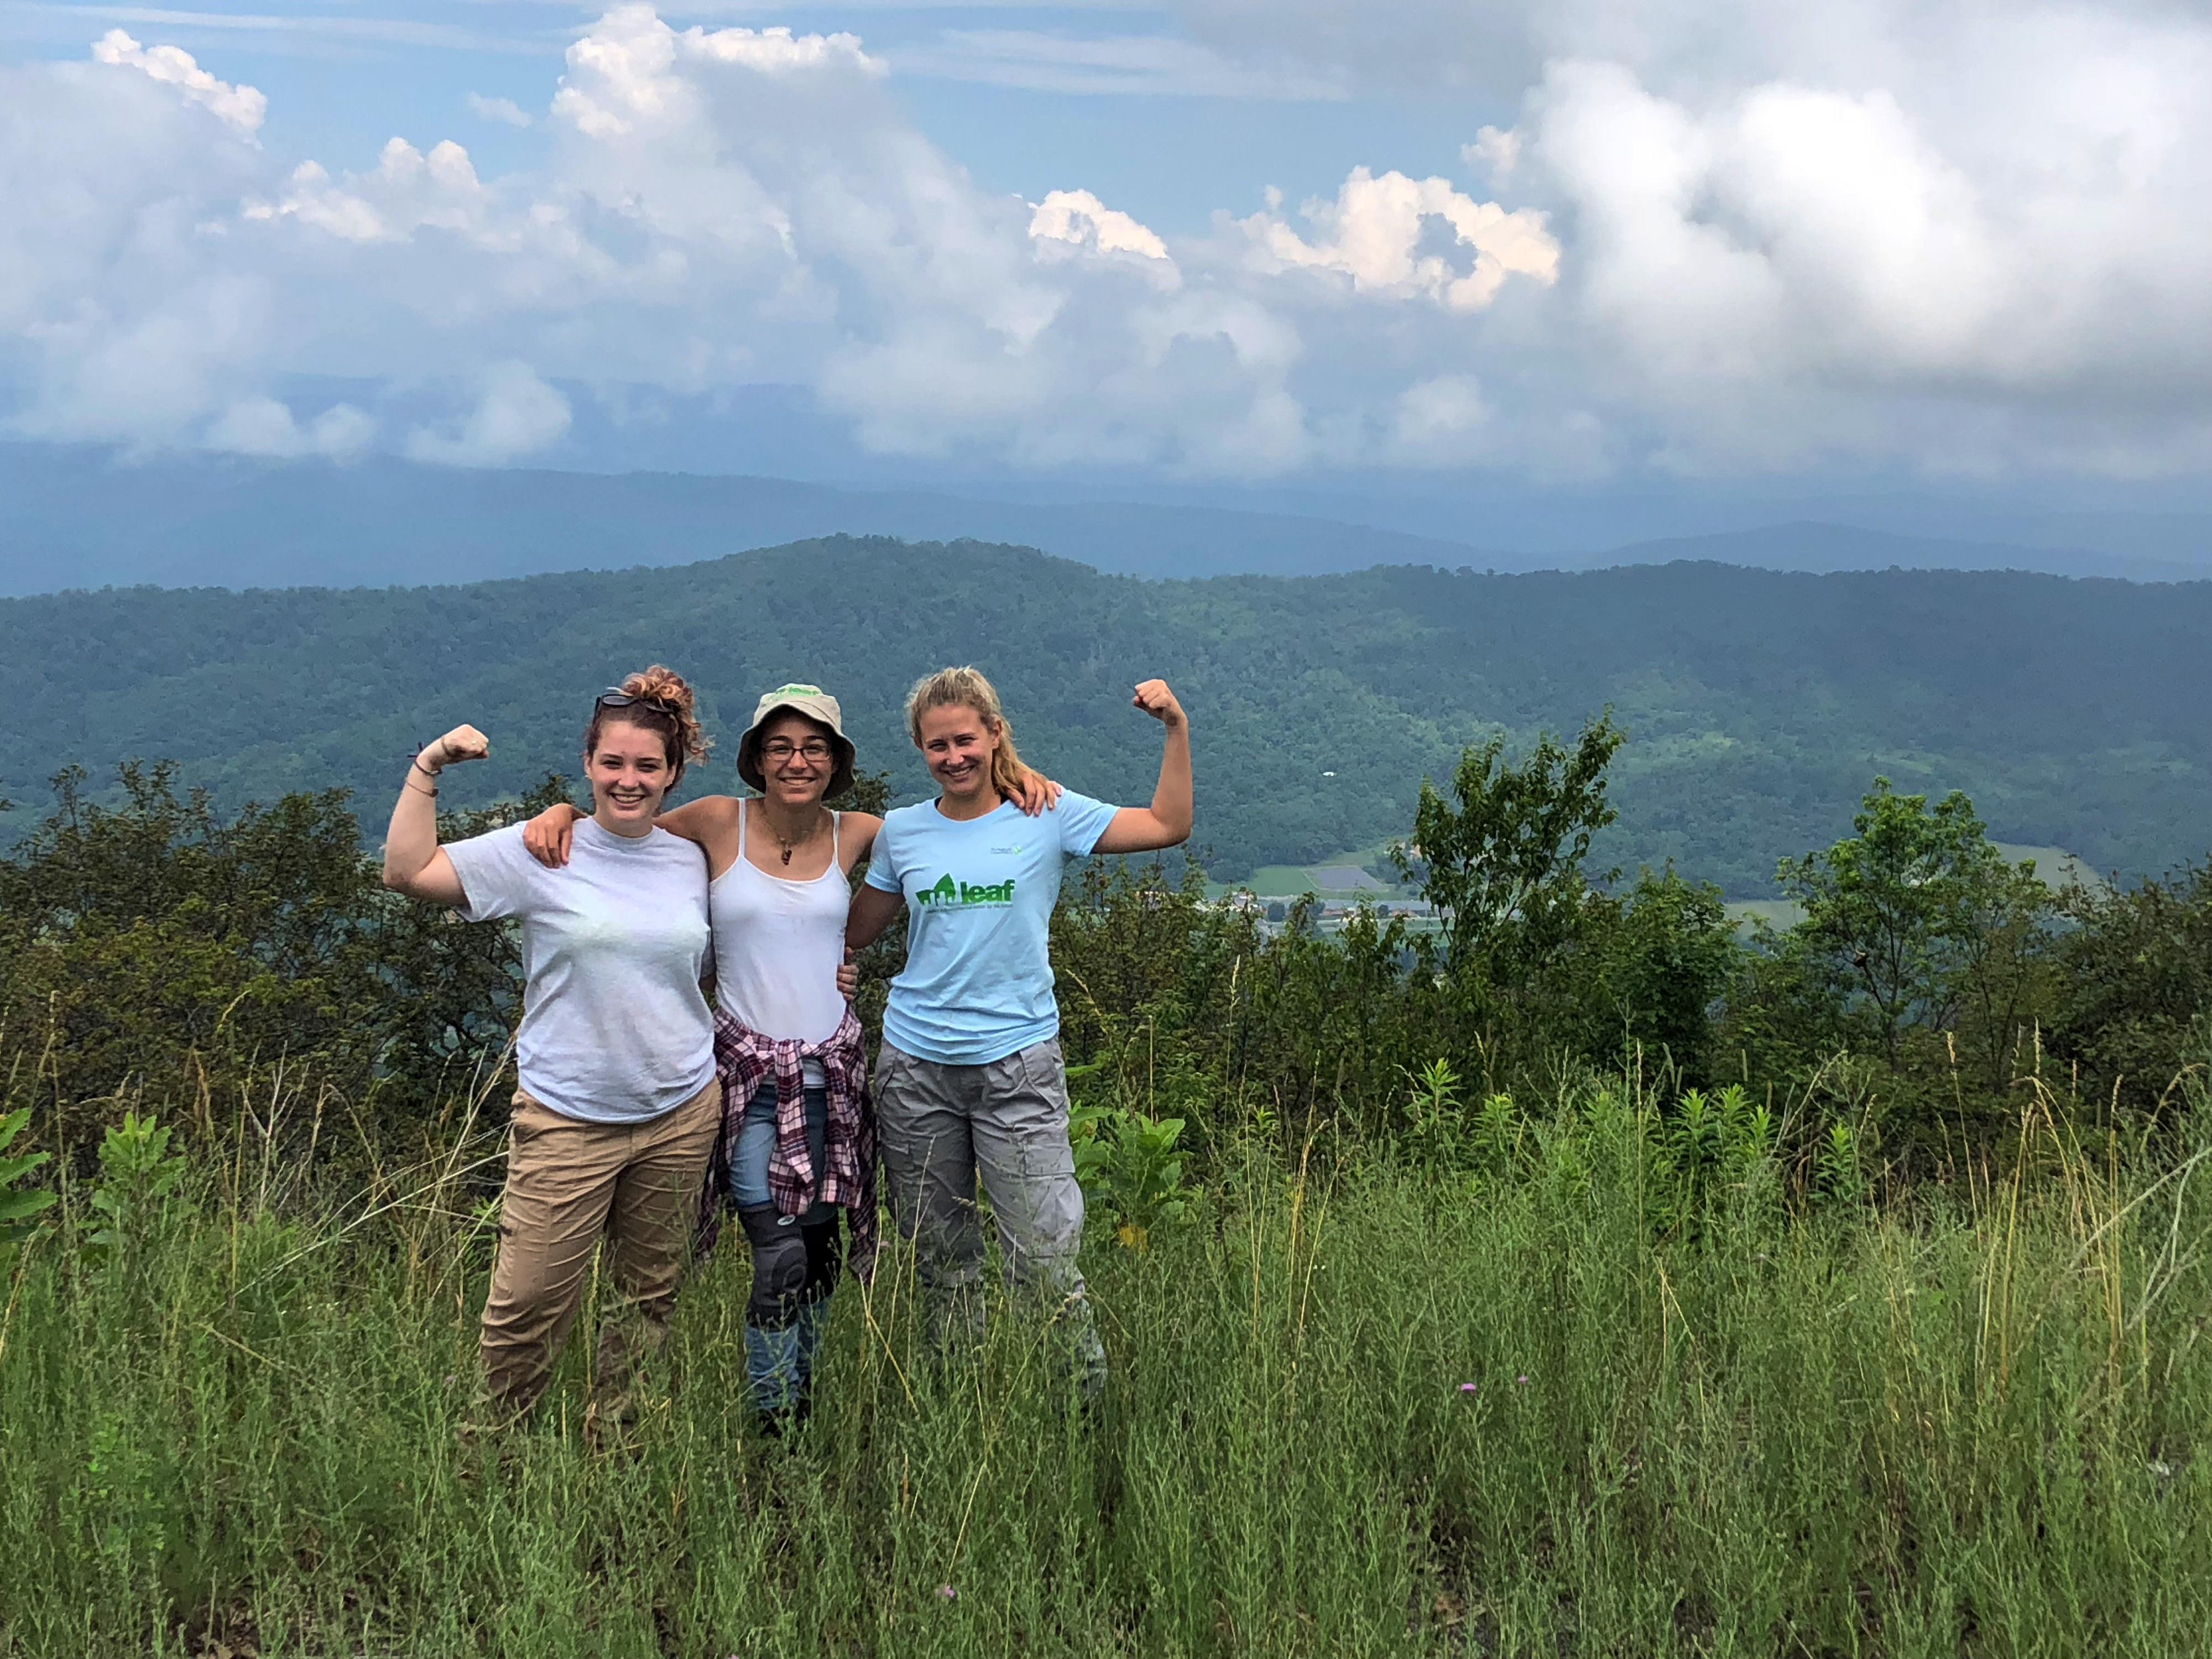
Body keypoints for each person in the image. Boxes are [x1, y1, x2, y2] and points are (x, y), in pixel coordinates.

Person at [520, 682, 1058, 1433]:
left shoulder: (865, 831)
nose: (796, 761)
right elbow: (623, 830)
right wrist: (560, 816)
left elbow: (955, 823)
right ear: (757, 758)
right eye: (780, 747)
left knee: (819, 1256)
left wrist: (1020, 777)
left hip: (832, 1081)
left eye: (813, 748)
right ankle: (776, 1419)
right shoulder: (715, 822)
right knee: (776, 1259)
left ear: (836, 761)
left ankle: (802, 1402)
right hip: (747, 1080)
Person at [381, 666, 721, 1437]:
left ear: (674, 773)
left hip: (681, 1111)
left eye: (647, 767)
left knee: (647, 1300)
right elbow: (406, 872)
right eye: (612, 764)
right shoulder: (543, 850)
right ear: (589, 763)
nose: (628, 781)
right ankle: (493, 1456)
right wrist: (428, 765)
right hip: (568, 1117)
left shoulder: (694, 856)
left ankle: (620, 1450)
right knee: (529, 1303)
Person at [845, 666, 1192, 1399]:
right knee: (939, 1259)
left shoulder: (1048, 812)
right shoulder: (904, 832)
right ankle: (956, 1411)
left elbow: (1168, 825)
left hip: (1017, 1068)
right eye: (936, 745)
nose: (953, 757)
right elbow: (855, 933)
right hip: (915, 1071)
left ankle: (1080, 1415)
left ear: (995, 733)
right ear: (920, 749)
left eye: (965, 739)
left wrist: (1174, 727)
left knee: (1043, 1257)